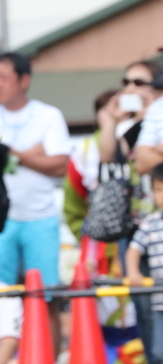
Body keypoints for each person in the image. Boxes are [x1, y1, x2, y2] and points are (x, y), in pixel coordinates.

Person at [0, 52, 70, 354]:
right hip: (0, 221)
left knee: (45, 296)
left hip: (40, 218)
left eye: (4, 77)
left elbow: (59, 165)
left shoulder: (48, 116)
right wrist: (35, 155)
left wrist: (12, 153)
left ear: (24, 80)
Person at [99, 61, 160, 364]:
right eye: (126, 81)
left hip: (159, 224)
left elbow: (149, 160)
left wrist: (153, 116)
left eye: (139, 81)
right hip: (132, 225)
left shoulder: (159, 119)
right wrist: (110, 122)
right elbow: (110, 157)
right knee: (143, 304)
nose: (131, 87)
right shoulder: (130, 128)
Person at [64, 90, 118, 274]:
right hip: (96, 237)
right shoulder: (84, 149)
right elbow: (73, 199)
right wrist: (85, 231)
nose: (114, 112)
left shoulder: (138, 138)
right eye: (108, 108)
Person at [126, 162, 163, 364]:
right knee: (159, 352)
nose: (162, 196)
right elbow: (132, 251)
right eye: (159, 190)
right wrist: (133, 271)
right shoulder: (151, 222)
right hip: (159, 303)